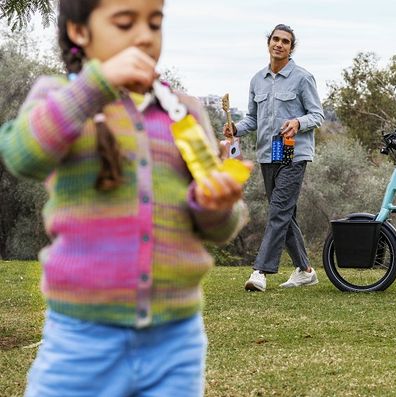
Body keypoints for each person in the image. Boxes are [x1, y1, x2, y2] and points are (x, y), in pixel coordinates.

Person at [0, 0, 249, 395]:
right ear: (79, 31)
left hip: (175, 343)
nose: (144, 36)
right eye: (124, 22)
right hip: (81, 340)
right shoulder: (60, 97)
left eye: (155, 22)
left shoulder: (183, 112)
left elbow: (220, 228)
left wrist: (216, 205)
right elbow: (21, 155)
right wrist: (96, 84)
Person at [224, 24, 325, 292]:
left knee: (278, 211)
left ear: (291, 48)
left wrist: (298, 122)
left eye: (285, 41)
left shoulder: (303, 78)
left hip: (294, 155)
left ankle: (260, 271)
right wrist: (235, 129)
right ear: (269, 43)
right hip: (268, 155)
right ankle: (305, 271)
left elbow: (317, 115)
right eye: (276, 39)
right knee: (285, 214)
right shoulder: (257, 80)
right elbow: (252, 119)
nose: (279, 44)